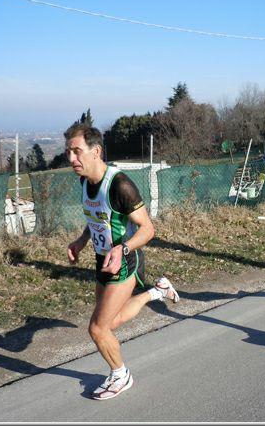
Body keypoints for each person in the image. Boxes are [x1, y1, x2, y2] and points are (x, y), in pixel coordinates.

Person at [65, 122, 179, 400]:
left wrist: (123, 249)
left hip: (125, 260)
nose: (71, 159)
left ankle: (120, 375)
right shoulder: (84, 182)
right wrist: (82, 241)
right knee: (110, 321)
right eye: (68, 152)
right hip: (102, 259)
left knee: (97, 328)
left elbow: (148, 229)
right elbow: (98, 219)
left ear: (96, 151)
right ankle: (157, 291)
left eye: (76, 151)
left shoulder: (120, 184)